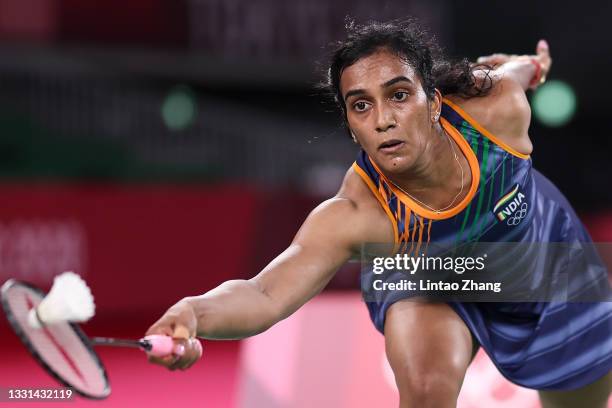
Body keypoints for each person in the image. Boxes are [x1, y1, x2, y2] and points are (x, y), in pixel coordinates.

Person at [145, 20, 611, 407]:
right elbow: (265, 294)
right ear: (350, 124)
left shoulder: (496, 112)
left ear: (434, 101)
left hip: (546, 266)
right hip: (427, 276)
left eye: (399, 95)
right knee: (427, 388)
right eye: (361, 105)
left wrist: (533, 65)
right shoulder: (356, 213)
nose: (382, 119)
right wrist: (194, 313)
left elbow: (513, 72)